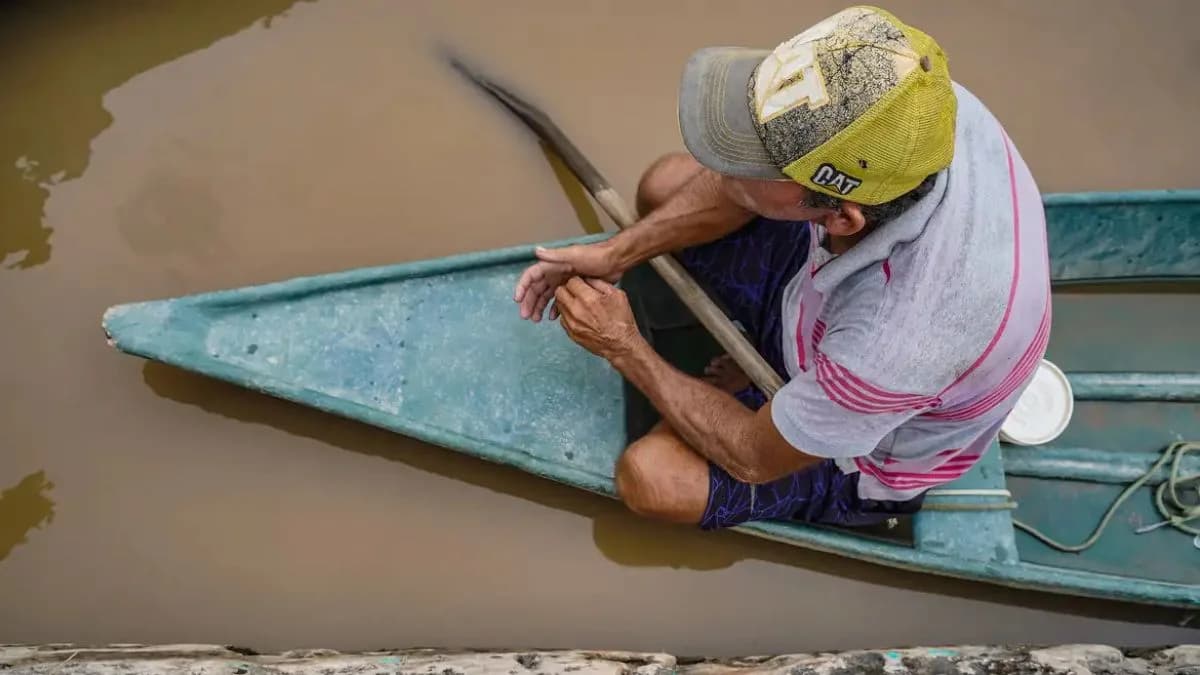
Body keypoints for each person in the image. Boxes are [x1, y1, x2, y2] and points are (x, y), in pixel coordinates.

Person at [513, 5, 1051, 531]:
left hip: (861, 452)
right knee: (664, 184)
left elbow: (754, 457)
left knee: (652, 479)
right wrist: (618, 254)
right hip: (826, 302)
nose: (728, 167)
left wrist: (624, 346)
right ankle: (777, 358)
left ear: (840, 217)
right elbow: (735, 182)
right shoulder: (909, 105)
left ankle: (790, 397)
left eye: (757, 163)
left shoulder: (894, 347)